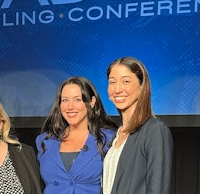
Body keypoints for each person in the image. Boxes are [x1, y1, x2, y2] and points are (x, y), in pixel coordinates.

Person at [102, 57, 174, 194]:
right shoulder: (116, 136)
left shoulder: (154, 130)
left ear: (142, 86)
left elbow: (158, 189)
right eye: (112, 82)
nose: (117, 89)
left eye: (126, 81)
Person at [36, 76, 117, 194]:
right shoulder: (44, 141)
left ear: (92, 102)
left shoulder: (109, 139)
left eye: (77, 99)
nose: (70, 106)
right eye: (64, 100)